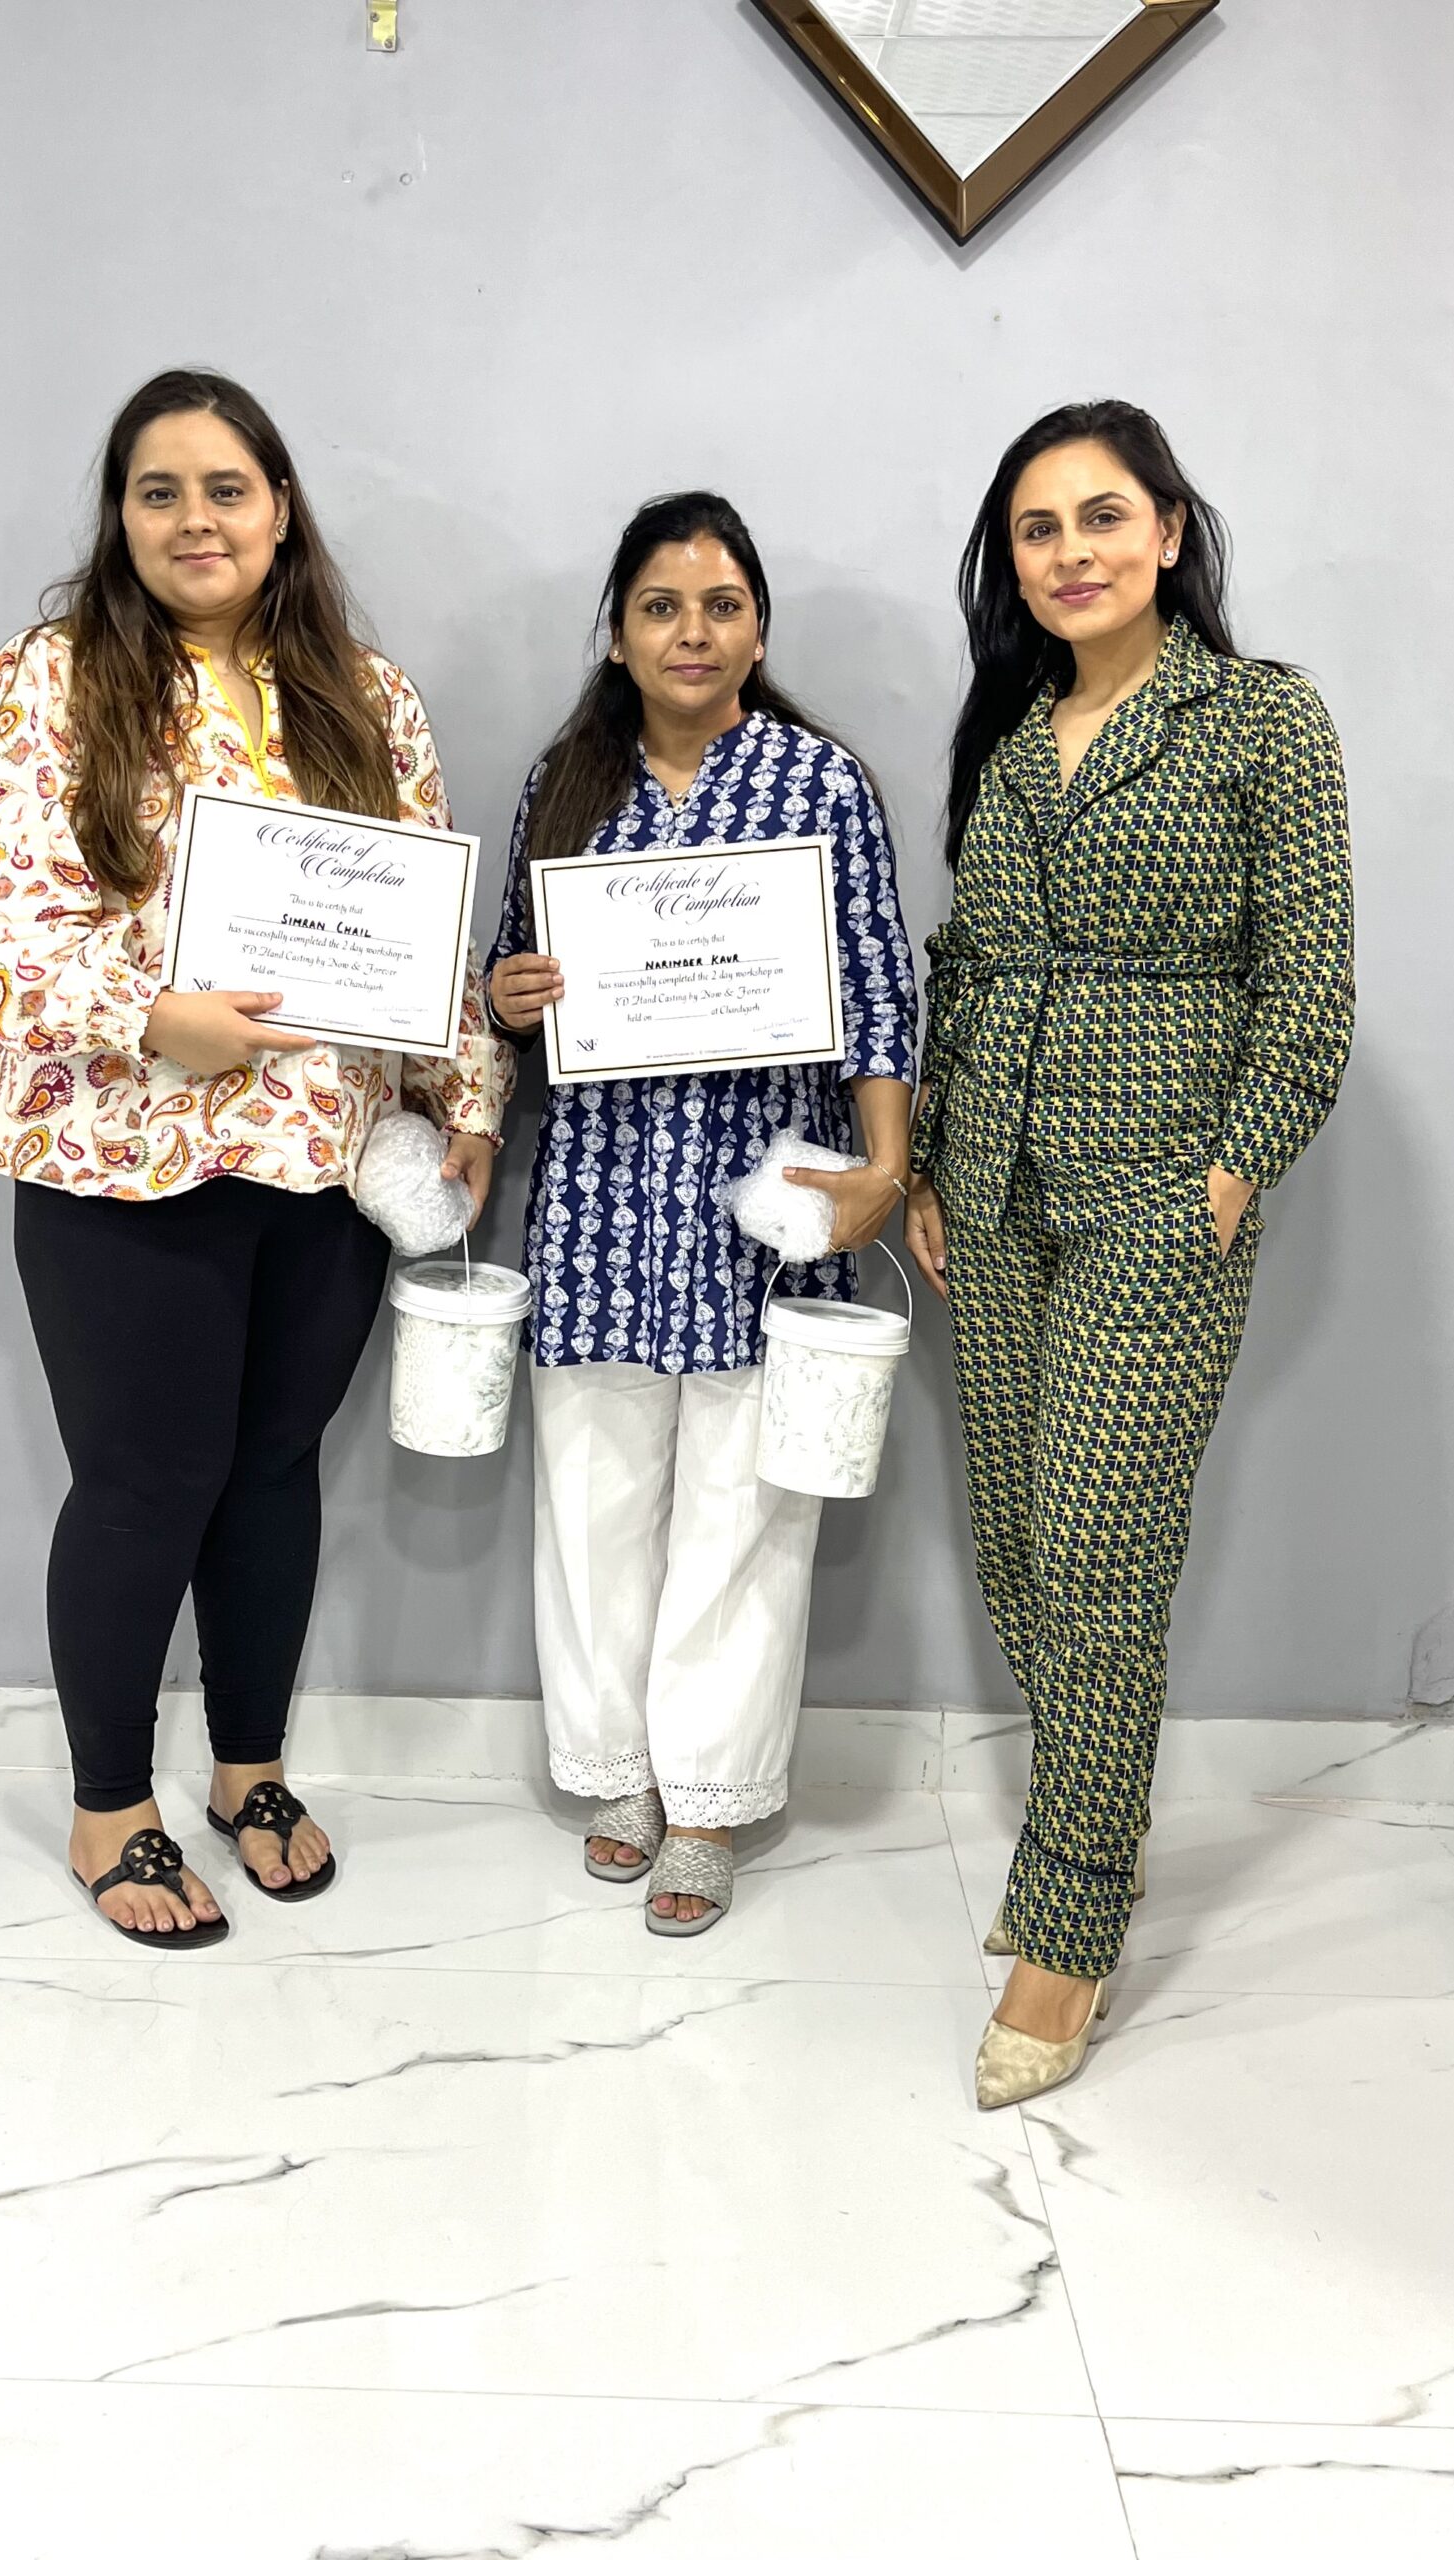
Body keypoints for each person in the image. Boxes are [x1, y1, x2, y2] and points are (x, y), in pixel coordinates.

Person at [0, 369, 508, 1944]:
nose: (197, 519)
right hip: (123, 1156)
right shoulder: (50, 678)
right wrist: (146, 1017)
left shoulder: (364, 695)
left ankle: (249, 1768)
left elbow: (421, 920)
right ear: (121, 517)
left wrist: (466, 1092)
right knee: (146, 1482)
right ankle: (109, 1806)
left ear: (280, 509)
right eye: (160, 490)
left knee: (269, 1476)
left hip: (322, 1160)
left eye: (227, 488)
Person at [903, 401, 1354, 2103]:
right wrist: (930, 1153)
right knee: (1018, 1551)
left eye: (1103, 516)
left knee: (1100, 1556)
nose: (1071, 552)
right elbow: (971, 957)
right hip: (992, 1189)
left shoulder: (1260, 719)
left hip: (1160, 1195)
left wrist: (1231, 1175)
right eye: (1038, 528)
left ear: (1168, 531)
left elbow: (1309, 979)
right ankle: (1103, 1819)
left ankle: (1070, 1925)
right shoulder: (1012, 731)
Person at [486, 492, 919, 1934]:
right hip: (601, 1201)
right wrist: (511, 997)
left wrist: (883, 1170)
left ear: (758, 629)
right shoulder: (563, 781)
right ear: (617, 634)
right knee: (593, 1503)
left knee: (744, 1515)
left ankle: (712, 1800)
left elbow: (878, 990)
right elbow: (507, 986)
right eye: (661, 607)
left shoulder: (821, 785)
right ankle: (615, 1774)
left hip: (764, 1202)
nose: (692, 631)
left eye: (722, 605)